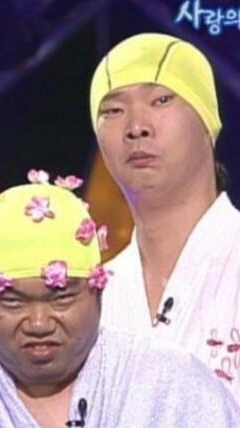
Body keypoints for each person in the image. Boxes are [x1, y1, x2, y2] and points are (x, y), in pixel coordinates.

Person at [0, 180, 240, 427]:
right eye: (13, 301)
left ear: (98, 293)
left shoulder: (173, 387)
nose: (39, 323)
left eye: (60, 297)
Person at [90, 32, 240, 400]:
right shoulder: (94, 298)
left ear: (207, 121)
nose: (136, 127)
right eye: (113, 111)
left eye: (161, 100)